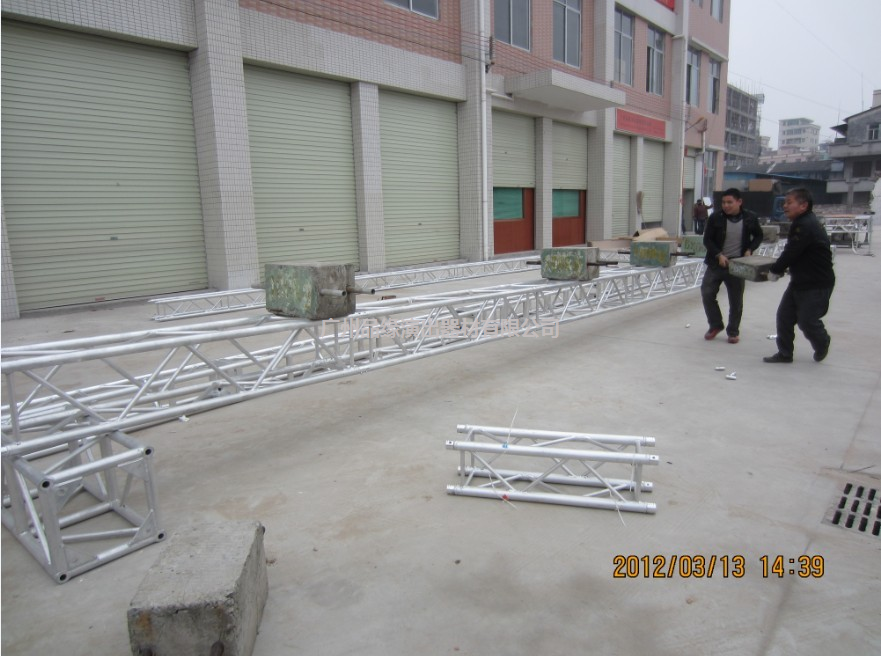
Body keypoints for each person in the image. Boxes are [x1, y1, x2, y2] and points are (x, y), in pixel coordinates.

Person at [763, 187, 835, 363]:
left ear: (803, 205)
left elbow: (791, 252)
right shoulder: (803, 222)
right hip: (800, 281)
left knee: (807, 321)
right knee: (784, 317)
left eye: (789, 202)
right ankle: (785, 353)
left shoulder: (805, 225)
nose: (785, 206)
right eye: (784, 202)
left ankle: (822, 342)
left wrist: (775, 270)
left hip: (816, 284)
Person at [701, 188, 764, 344]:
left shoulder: (750, 218)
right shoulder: (715, 218)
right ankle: (715, 325)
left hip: (738, 265)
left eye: (730, 202)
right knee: (707, 293)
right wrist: (718, 255)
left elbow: (759, 235)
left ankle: (733, 331)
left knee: (736, 300)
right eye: (723, 202)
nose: (726, 205)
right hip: (716, 263)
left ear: (739, 202)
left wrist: (750, 249)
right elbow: (707, 240)